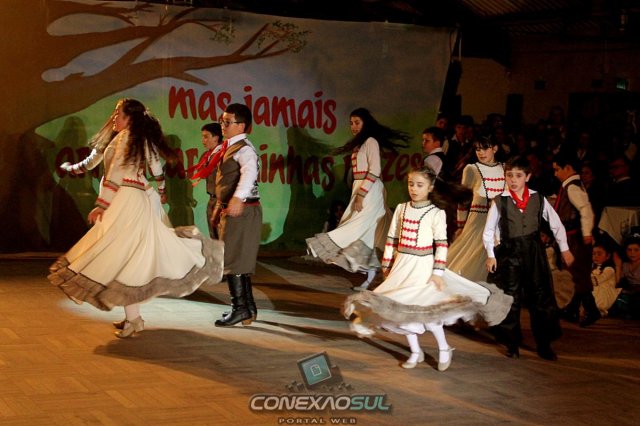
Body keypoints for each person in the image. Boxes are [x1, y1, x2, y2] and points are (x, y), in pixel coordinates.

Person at [48, 98, 224, 337]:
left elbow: (116, 172)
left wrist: (101, 204)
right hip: (135, 199)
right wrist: (161, 189)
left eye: (118, 114)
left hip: (125, 201)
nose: (114, 118)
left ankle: (134, 319)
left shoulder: (125, 138)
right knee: (128, 259)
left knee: (124, 258)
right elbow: (153, 168)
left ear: (130, 118)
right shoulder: (132, 139)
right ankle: (133, 318)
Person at [344, 166, 512, 371]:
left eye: (419, 185)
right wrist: (387, 264)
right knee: (400, 311)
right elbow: (392, 238)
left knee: (426, 312)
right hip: (402, 266)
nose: (414, 189)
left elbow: (441, 244)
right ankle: (416, 352)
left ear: (431, 187)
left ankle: (444, 348)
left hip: (423, 266)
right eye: (411, 184)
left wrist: (438, 273)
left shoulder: (436, 213)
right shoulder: (402, 209)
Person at [306, 108, 409, 291]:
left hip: (367, 191)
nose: (353, 126)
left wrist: (362, 194)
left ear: (365, 123)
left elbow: (375, 170)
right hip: (362, 188)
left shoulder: (370, 141)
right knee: (367, 233)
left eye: (357, 122)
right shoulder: (360, 144)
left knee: (355, 226)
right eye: (351, 123)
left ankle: (324, 248)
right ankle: (370, 278)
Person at [484, 156, 574, 360]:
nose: (513, 180)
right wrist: (491, 254)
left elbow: (556, 224)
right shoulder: (500, 200)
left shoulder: (538, 199)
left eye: (518, 175)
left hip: (534, 251)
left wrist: (565, 249)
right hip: (510, 252)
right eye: (509, 175)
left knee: (540, 296)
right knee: (510, 297)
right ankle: (511, 342)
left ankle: (544, 343)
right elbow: (489, 230)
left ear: (528, 176)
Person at [212, 103, 263, 327]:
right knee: (238, 259)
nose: (223, 125)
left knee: (235, 260)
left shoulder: (244, 149)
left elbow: (249, 173)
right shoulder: (229, 147)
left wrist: (238, 197)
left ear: (241, 125)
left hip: (243, 210)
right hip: (235, 209)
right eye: (222, 121)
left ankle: (240, 308)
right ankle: (248, 308)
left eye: (227, 122)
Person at [552, 151, 600, 328]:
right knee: (573, 274)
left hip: (575, 239)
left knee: (577, 274)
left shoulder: (572, 187)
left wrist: (587, 233)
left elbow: (585, 209)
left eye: (557, 169)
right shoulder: (570, 186)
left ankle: (591, 310)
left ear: (568, 168)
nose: (555, 174)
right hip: (571, 237)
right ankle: (572, 310)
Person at [447, 137, 505, 282]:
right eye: (478, 149)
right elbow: (462, 200)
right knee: (468, 261)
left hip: (500, 225)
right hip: (477, 223)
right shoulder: (471, 169)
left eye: (485, 148)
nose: (481, 153)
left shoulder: (505, 168)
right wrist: (460, 225)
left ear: (495, 149)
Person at [187, 122, 223, 239]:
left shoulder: (222, 154)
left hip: (220, 202)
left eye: (206, 137)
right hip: (212, 199)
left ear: (216, 137)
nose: (203, 140)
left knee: (222, 237)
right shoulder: (210, 155)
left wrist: (219, 204)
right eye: (203, 137)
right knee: (214, 237)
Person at [611, 233, 640, 319]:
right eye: (629, 250)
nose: (632, 253)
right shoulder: (625, 265)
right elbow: (618, 282)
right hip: (628, 293)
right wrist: (618, 266)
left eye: (636, 250)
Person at [590, 240, 620, 317]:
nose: (596, 256)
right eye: (593, 254)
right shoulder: (592, 267)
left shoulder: (609, 270)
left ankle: (597, 309)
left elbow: (597, 281)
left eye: (599, 254)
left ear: (608, 256)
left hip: (604, 294)